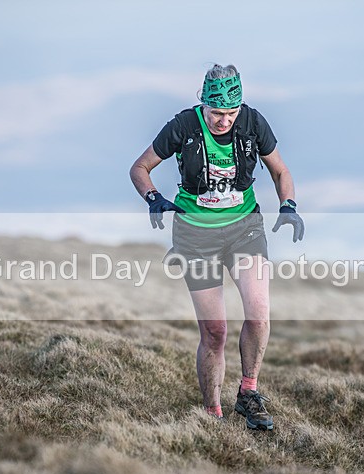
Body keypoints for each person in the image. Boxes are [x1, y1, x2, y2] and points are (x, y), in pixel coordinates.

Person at [129, 64, 304, 430]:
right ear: (203, 103)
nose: (224, 121)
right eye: (216, 113)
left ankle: (248, 392)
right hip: (196, 236)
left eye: (231, 113)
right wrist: (153, 198)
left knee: (259, 314)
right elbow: (140, 168)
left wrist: (288, 205)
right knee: (215, 332)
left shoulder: (253, 123)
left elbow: (280, 171)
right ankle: (212, 413)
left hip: (244, 230)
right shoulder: (183, 126)